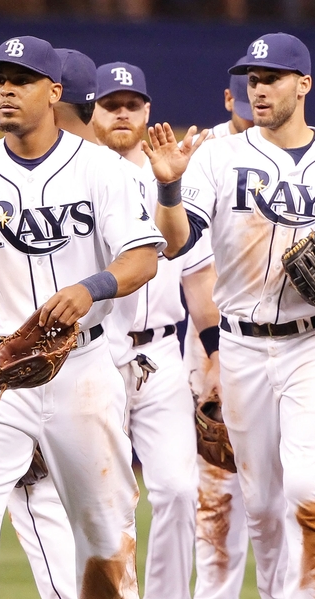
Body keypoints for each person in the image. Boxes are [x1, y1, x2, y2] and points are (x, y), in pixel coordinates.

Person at [143, 32, 315, 599]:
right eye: (253, 79)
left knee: (307, 485)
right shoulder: (216, 156)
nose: (258, 89)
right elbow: (174, 241)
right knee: (260, 502)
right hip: (240, 345)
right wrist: (168, 186)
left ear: (304, 84)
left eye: (272, 79)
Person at [0, 35, 163, 599]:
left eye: (21, 80)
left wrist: (91, 287)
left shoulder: (99, 169)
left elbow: (144, 257)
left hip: (83, 365)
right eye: (0, 81)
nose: (7, 92)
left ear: (55, 91)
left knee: (103, 528)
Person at [91, 60, 220, 599]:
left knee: (177, 488)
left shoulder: (171, 173)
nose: (123, 113)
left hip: (163, 355)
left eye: (132, 105)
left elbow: (198, 274)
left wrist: (214, 357)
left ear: (147, 111)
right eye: (111, 105)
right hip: (96, 355)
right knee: (107, 499)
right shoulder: (76, 173)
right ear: (92, 111)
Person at [4, 45, 101, 599]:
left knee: (63, 510)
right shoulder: (126, 173)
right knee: (105, 522)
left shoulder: (111, 176)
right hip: (106, 362)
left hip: (88, 362)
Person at [189, 64, 253, 599]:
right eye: (247, 94)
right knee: (216, 484)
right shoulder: (204, 155)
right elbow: (197, 266)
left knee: (291, 487)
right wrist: (214, 353)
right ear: (230, 98)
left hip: (291, 339)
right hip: (218, 330)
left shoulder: (310, 157)